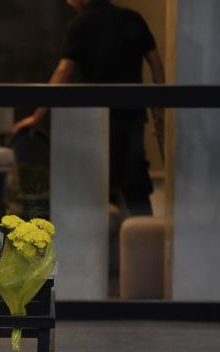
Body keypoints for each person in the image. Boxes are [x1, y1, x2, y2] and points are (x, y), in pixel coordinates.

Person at [13, 0, 165, 216]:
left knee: (96, 187)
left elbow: (63, 72)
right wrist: (159, 112)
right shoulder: (132, 18)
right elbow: (156, 65)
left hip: (97, 119)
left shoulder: (80, 25)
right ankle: (144, 245)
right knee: (136, 186)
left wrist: (38, 116)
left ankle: (101, 245)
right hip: (132, 116)